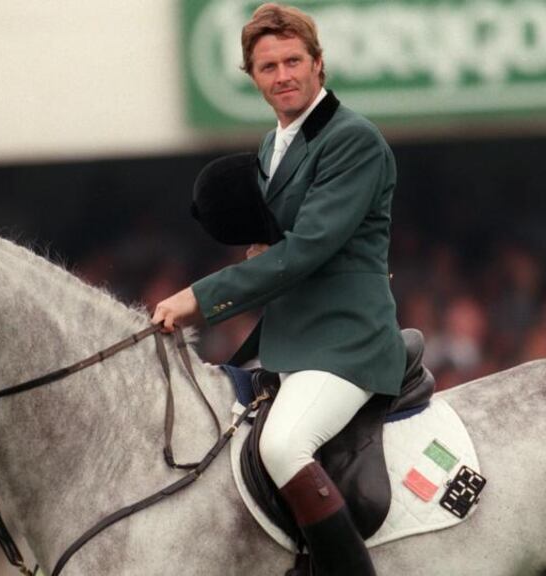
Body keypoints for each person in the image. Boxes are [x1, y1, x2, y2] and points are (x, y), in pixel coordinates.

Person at [152, 4, 404, 574]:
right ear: (254, 77)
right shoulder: (272, 147)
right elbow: (287, 241)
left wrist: (198, 298)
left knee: (282, 445)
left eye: (294, 61)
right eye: (269, 67)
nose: (283, 75)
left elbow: (308, 249)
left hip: (346, 342)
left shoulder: (352, 139)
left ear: (319, 65)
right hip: (290, 339)